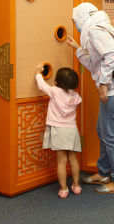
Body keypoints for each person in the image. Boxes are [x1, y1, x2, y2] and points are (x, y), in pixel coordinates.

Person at [67, 2, 114, 194]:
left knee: (111, 136)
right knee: (103, 130)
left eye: (75, 21)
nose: (76, 25)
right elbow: (95, 65)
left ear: (82, 17)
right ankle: (104, 172)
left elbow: (112, 55)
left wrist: (104, 84)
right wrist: (78, 49)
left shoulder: (94, 31)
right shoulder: (100, 27)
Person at [35, 65, 82, 199]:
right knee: (73, 159)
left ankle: (63, 189)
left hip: (58, 130)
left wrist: (38, 73)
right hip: (72, 130)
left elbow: (42, 86)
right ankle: (76, 185)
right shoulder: (76, 96)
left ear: (56, 82)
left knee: (61, 161)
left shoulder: (54, 91)